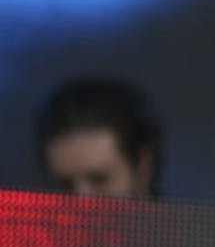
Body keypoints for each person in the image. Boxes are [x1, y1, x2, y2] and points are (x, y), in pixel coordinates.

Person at [33, 75, 163, 198]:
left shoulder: (181, 221)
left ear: (144, 165)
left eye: (99, 179)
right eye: (64, 186)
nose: (82, 201)